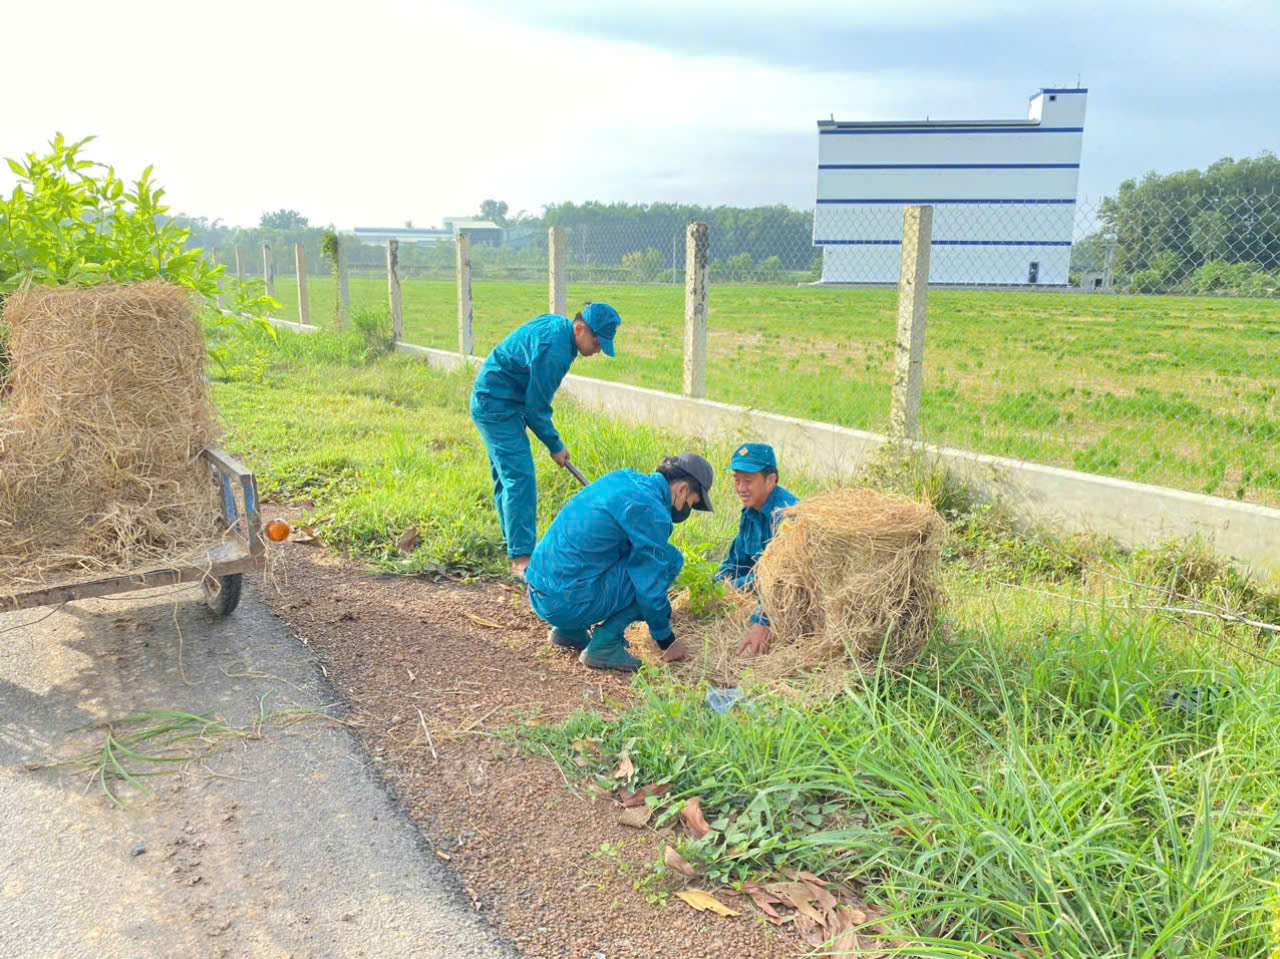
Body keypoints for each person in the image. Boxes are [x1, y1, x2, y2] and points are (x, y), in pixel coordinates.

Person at [525, 452, 715, 673]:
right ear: (681, 489)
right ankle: (605, 643)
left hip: (540, 590)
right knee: (669, 560)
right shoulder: (652, 511)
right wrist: (666, 640)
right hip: (566, 602)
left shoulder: (622, 477)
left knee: (613, 554)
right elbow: (649, 589)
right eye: (691, 503)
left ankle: (569, 630)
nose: (687, 509)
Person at [470, 302, 621, 578]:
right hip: (496, 404)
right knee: (520, 477)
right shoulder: (556, 351)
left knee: (508, 478)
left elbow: (531, 402)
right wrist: (555, 445)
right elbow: (536, 407)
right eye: (598, 341)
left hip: (500, 399)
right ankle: (522, 560)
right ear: (579, 328)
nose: (599, 349)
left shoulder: (558, 330)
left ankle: (515, 546)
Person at [715, 442, 798, 657]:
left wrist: (763, 622)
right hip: (758, 588)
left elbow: (784, 579)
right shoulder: (750, 512)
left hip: (790, 603)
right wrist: (716, 586)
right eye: (737, 480)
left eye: (748, 481)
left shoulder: (789, 516)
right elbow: (737, 560)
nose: (741, 488)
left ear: (771, 480)